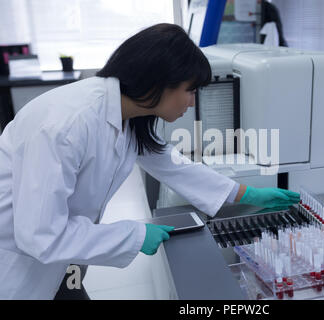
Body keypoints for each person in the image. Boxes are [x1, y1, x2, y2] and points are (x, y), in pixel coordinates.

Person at [0, 23, 299, 300]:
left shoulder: (126, 114)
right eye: (190, 90)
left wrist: (245, 193)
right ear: (160, 82)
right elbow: (40, 235)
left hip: (58, 262)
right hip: (16, 266)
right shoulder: (64, 125)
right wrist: (133, 235)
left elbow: (169, 162)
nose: (192, 102)